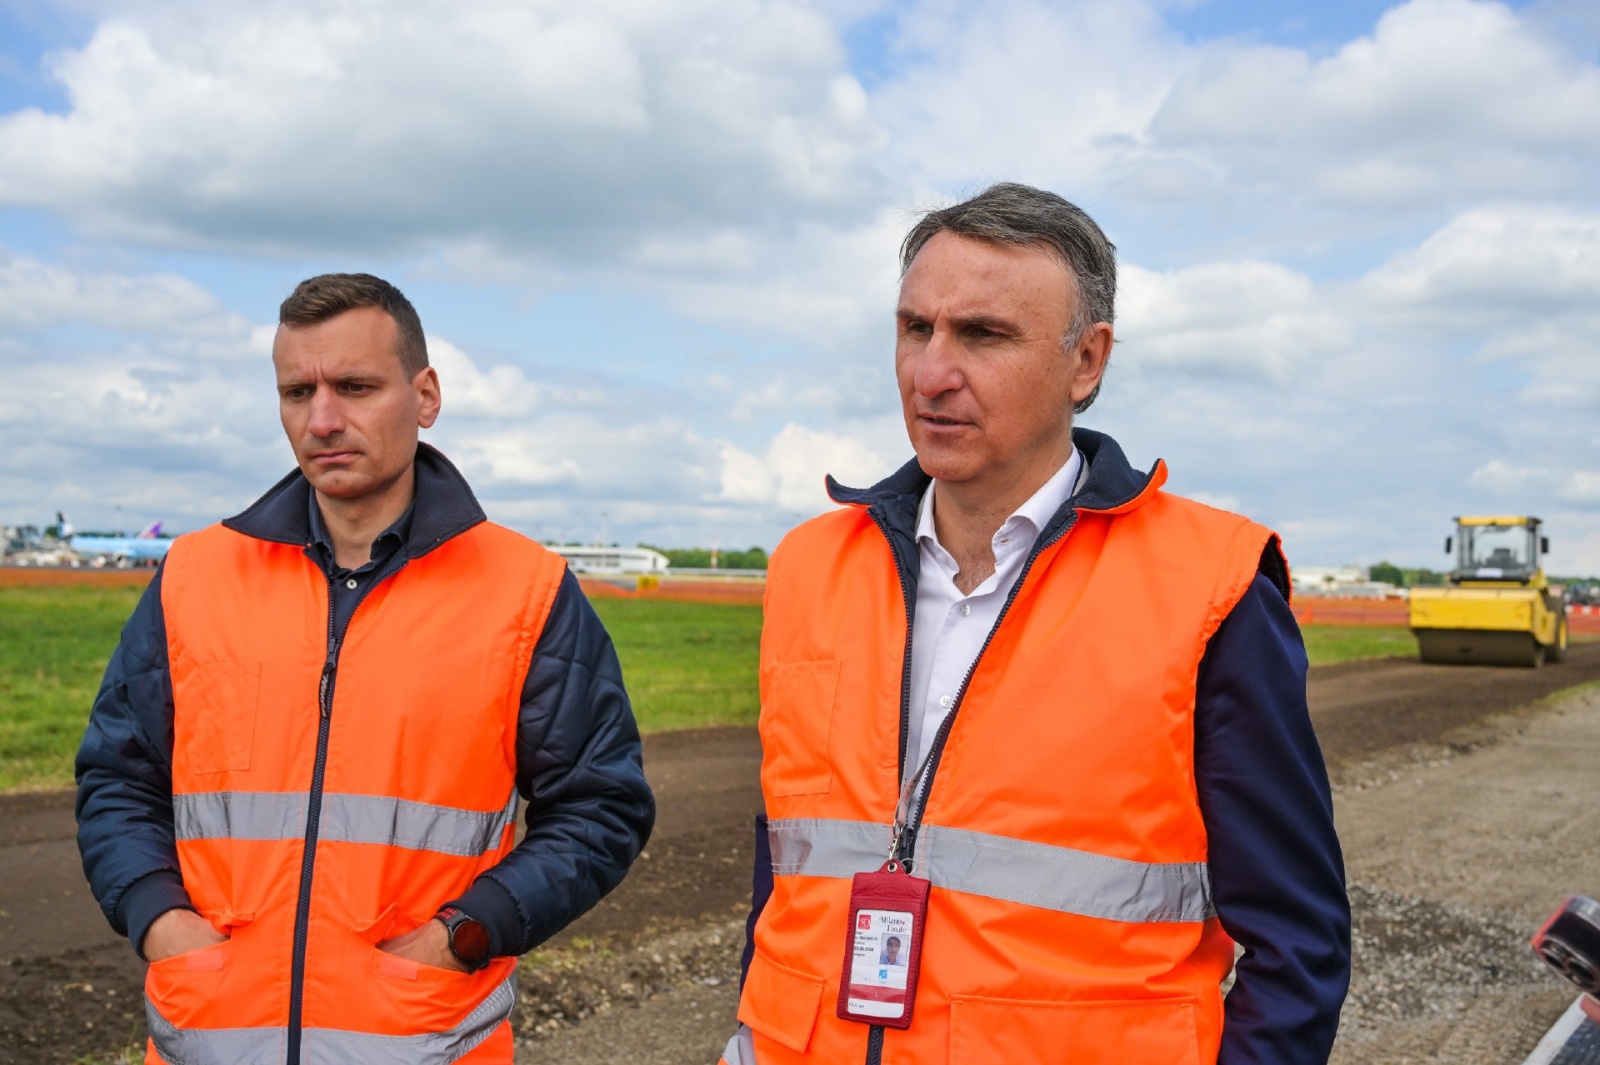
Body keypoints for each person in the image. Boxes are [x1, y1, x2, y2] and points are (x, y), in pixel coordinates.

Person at [722, 184, 1350, 1065]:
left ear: (1086, 362)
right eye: (915, 329)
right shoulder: (808, 567)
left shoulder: (1213, 587)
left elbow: (1298, 943)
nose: (931, 372)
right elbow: (787, 869)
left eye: (982, 335)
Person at [76, 273, 655, 1065]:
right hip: (211, 1032)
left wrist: (467, 932)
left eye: (354, 386)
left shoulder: (529, 592)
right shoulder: (192, 577)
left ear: (424, 395)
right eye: (295, 391)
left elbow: (600, 805)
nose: (321, 419)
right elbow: (117, 777)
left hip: (421, 1036)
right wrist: (157, 919)